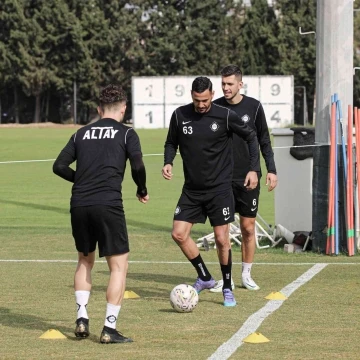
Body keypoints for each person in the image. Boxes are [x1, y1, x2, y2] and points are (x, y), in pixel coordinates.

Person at [53, 84, 149, 343]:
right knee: (119, 267)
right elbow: (138, 165)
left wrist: (81, 180)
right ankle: (109, 328)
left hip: (80, 204)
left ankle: (82, 318)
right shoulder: (127, 134)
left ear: (98, 109)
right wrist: (141, 188)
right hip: (108, 204)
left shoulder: (80, 134)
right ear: (124, 108)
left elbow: (59, 166)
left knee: (85, 260)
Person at [162, 76, 260, 307]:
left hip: (219, 189)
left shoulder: (225, 115)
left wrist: (254, 169)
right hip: (192, 190)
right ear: (191, 96)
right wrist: (168, 161)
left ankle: (227, 286)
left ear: (212, 94)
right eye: (197, 100)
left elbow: (251, 136)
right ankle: (205, 276)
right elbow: (170, 142)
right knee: (178, 234)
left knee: (221, 240)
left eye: (205, 99)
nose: (202, 104)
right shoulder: (180, 115)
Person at [210, 65, 277, 293]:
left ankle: (246, 274)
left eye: (230, 84)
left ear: (240, 84)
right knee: (223, 231)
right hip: (221, 178)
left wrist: (270, 170)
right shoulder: (215, 106)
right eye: (223, 84)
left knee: (248, 228)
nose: (226, 88)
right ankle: (225, 278)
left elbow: (264, 141)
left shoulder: (254, 107)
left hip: (249, 176)